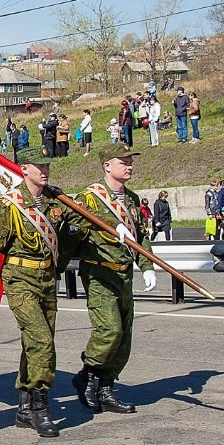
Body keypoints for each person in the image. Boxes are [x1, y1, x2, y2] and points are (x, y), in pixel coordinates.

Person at [0, 149, 68, 437]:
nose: (44, 170)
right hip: (20, 279)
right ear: (24, 169)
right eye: (38, 166)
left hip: (47, 278)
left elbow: (70, 235)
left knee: (37, 342)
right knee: (41, 341)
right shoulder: (10, 206)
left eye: (46, 164)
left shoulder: (53, 200)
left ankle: (24, 406)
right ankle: (39, 406)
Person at [65, 145, 157, 416]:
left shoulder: (131, 199)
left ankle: (106, 388)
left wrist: (147, 266)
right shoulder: (89, 198)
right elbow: (74, 228)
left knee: (124, 336)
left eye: (131, 161)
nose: (129, 166)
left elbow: (140, 238)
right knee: (110, 330)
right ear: (107, 165)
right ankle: (88, 374)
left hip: (124, 272)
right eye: (123, 161)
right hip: (99, 272)